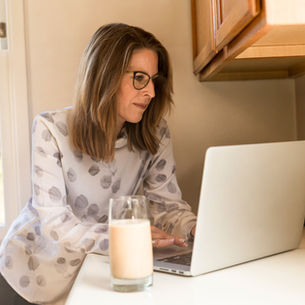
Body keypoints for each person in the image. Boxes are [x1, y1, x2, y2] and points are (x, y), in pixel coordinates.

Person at [0, 23, 197, 305]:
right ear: (104, 76)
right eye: (139, 77)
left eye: (154, 80)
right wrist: (129, 237)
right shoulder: (50, 129)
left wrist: (194, 228)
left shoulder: (155, 133)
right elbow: (56, 223)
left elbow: (167, 207)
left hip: (92, 276)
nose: (151, 92)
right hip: (28, 276)